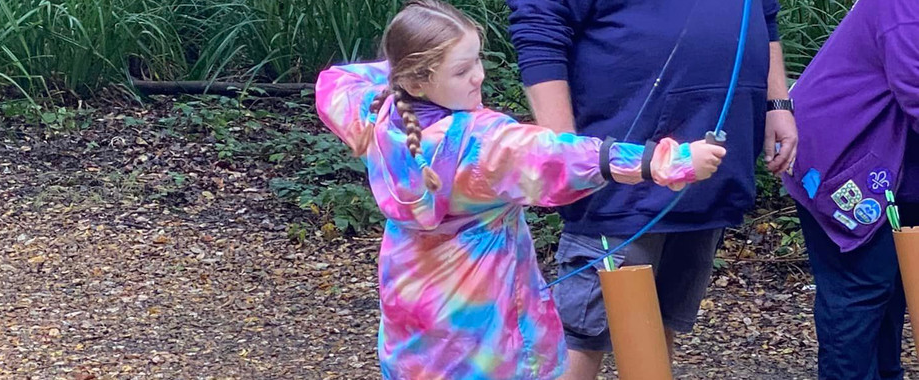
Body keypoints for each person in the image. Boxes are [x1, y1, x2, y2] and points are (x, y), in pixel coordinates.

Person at [315, 1, 726, 378]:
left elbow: (335, 81)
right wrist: (671, 160)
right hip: (487, 346)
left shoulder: (376, 114)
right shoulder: (481, 146)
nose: (478, 75)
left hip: (414, 336)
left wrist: (401, 72)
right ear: (418, 81)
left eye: (476, 60)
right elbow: (562, 156)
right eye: (461, 71)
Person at [506, 0, 798, 377]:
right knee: (582, 336)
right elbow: (541, 27)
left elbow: (763, 12)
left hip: (709, 171)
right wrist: (566, 154)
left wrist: (778, 103)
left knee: (659, 322)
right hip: (623, 175)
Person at [778, 0, 919, 378]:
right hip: (845, 161)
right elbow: (915, 88)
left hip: (898, 166)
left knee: (893, 291)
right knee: (860, 293)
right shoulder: (901, 8)